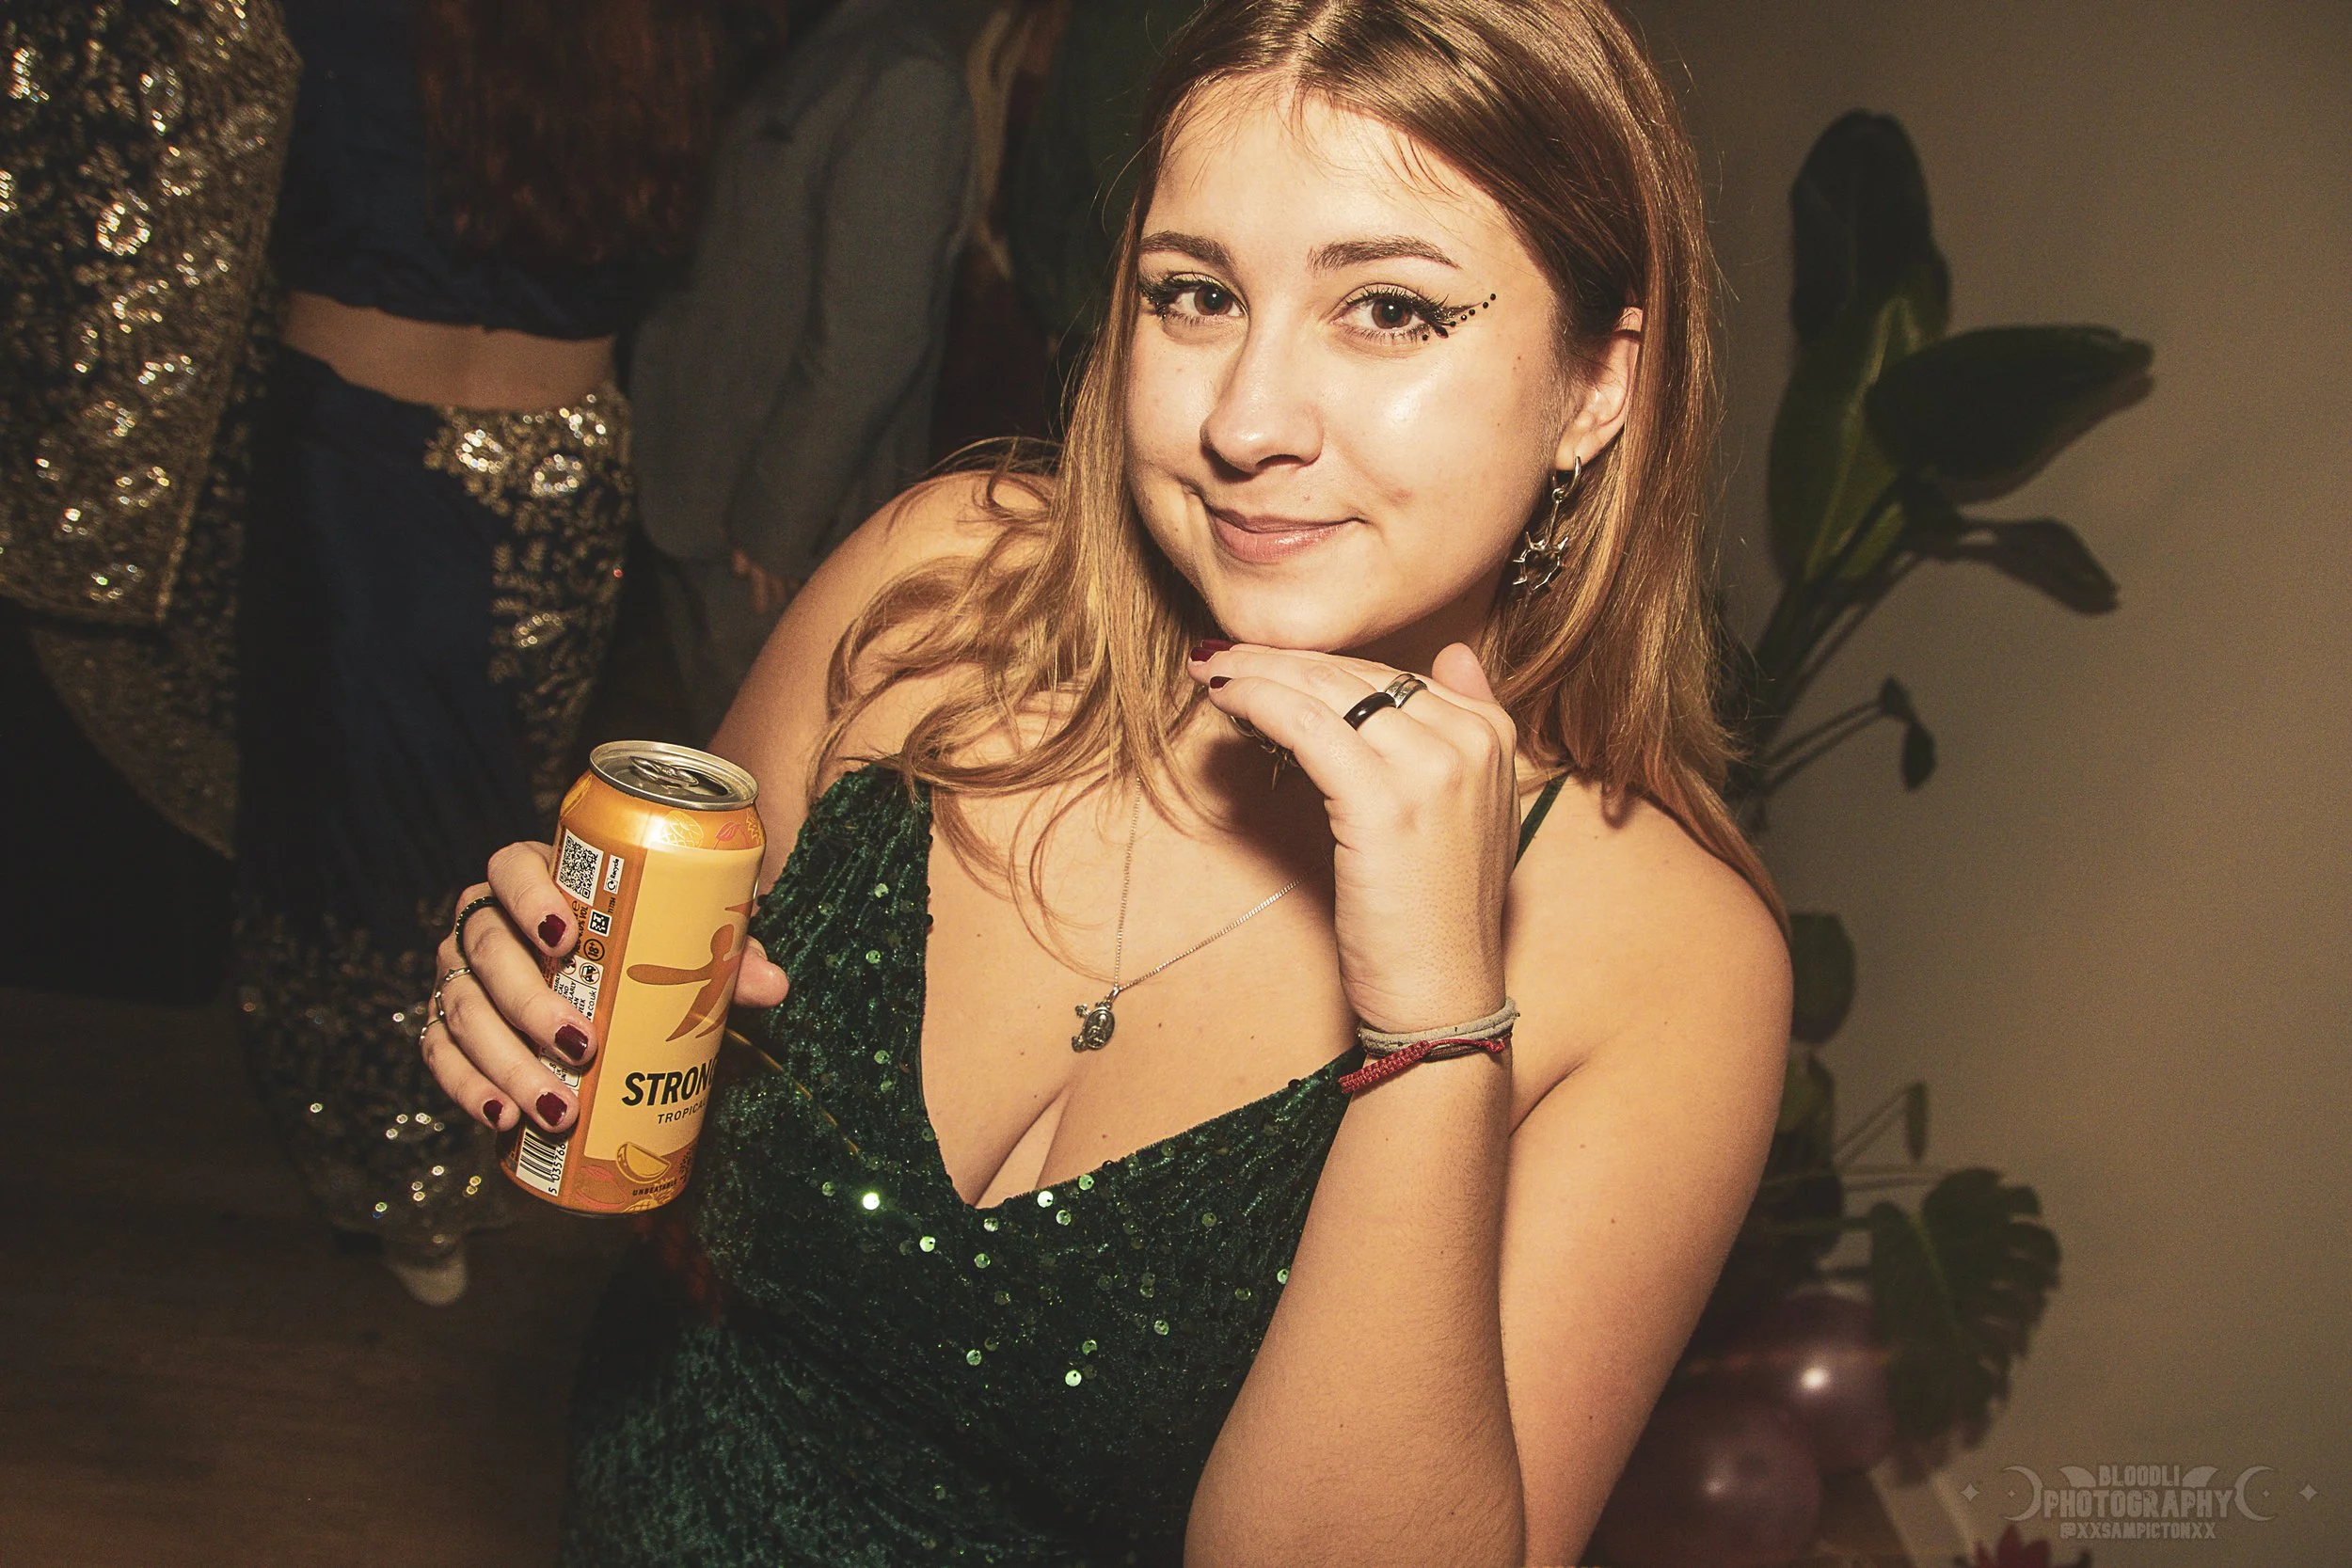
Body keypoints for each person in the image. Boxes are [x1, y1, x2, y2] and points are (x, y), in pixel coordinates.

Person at [427, 0, 1791, 1559]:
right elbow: (648, 1131)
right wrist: (529, 1010)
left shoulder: (1671, 966)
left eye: (1392, 311)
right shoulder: (931, 595)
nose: (1244, 418)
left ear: (1597, 387)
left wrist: (1434, 1020)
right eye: (1196, 294)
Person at [236, 0, 723, 1305]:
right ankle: (435, 1145)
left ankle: (402, 1152)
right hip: (547, 465)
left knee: (389, 827)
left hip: (369, 465)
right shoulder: (663, 33)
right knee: (460, 822)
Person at [628, 0, 974, 743]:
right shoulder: (803, 40)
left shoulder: (903, 75)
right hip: (702, 495)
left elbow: (870, 337)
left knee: (753, 794)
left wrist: (780, 521)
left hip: (777, 539)